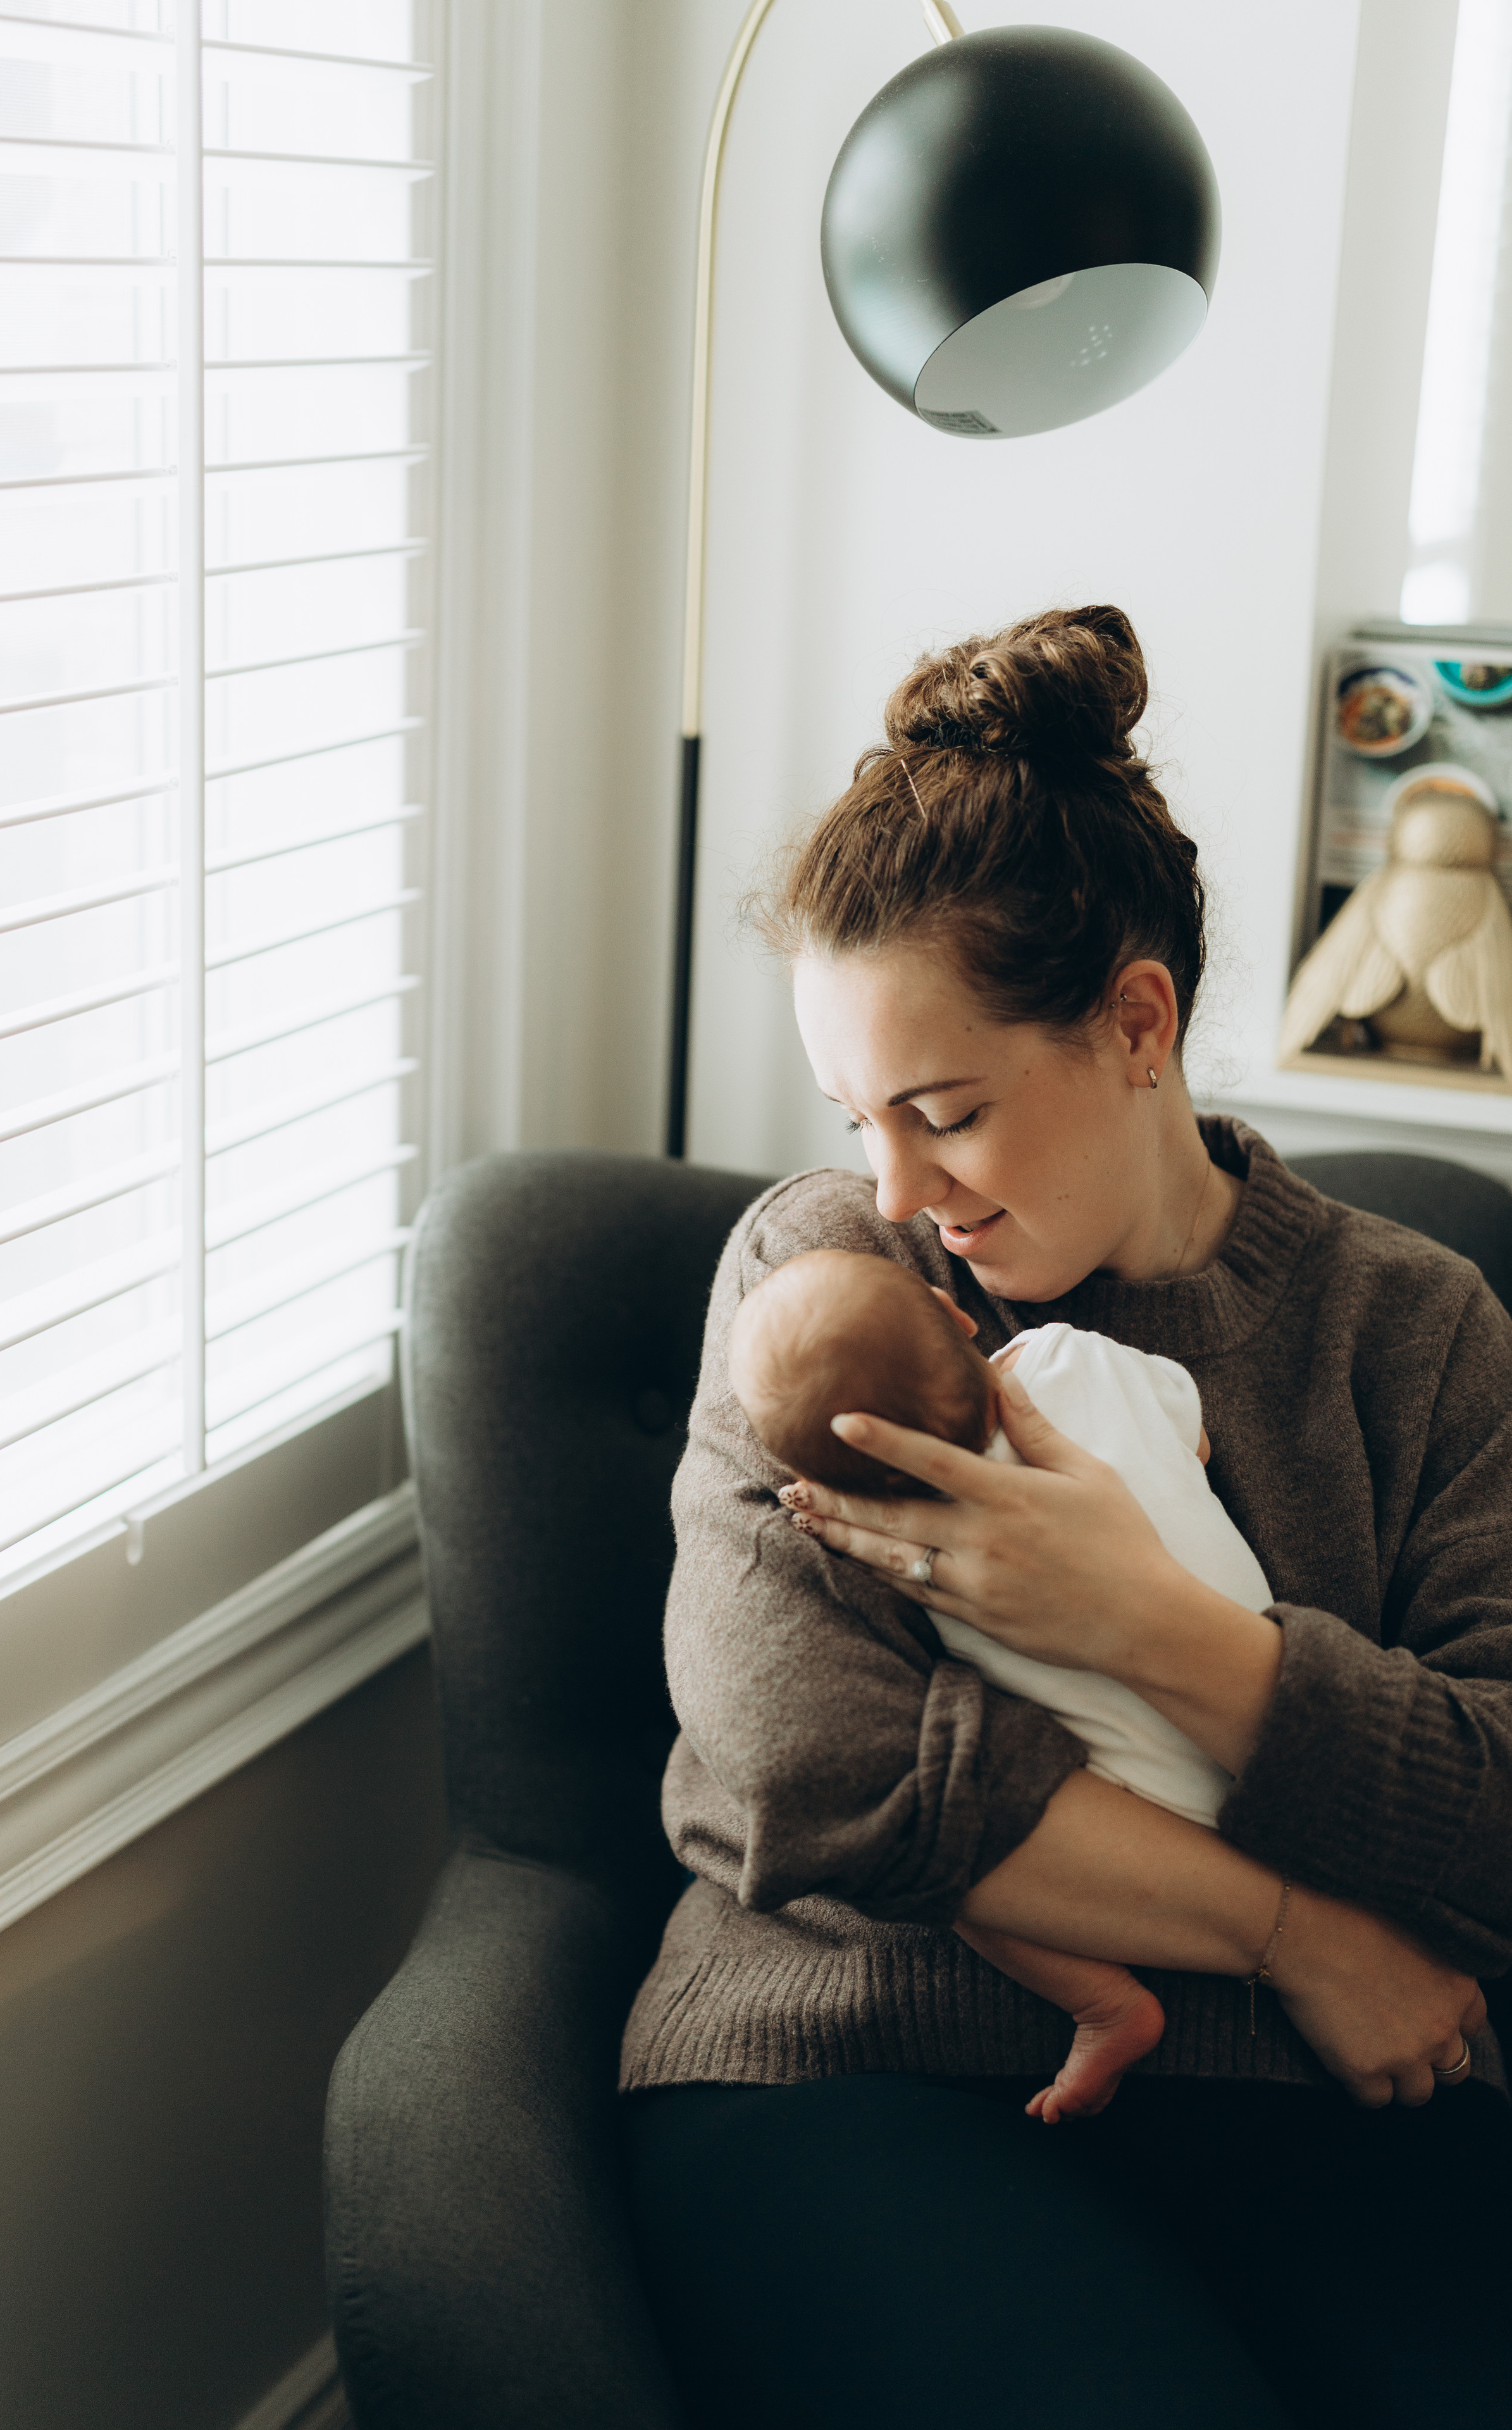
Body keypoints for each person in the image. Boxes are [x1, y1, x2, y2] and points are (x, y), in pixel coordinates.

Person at [617, 606, 1512, 2430]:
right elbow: (816, 1757)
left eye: (944, 1111)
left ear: (1137, 1022)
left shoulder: (1413, 1338)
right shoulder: (822, 1275)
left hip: (1331, 2112)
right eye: (859, 1116)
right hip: (852, 2067)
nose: (901, 1190)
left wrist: (1161, 1634)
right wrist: (1305, 1937)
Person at [728, 1246, 1272, 2121]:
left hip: (1124, 1829)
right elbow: (1193, 1431)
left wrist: (825, 1508)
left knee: (954, 1851)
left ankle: (1105, 2003)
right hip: (1262, 1733)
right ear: (955, 1317)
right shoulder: (1068, 1357)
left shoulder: (909, 1555)